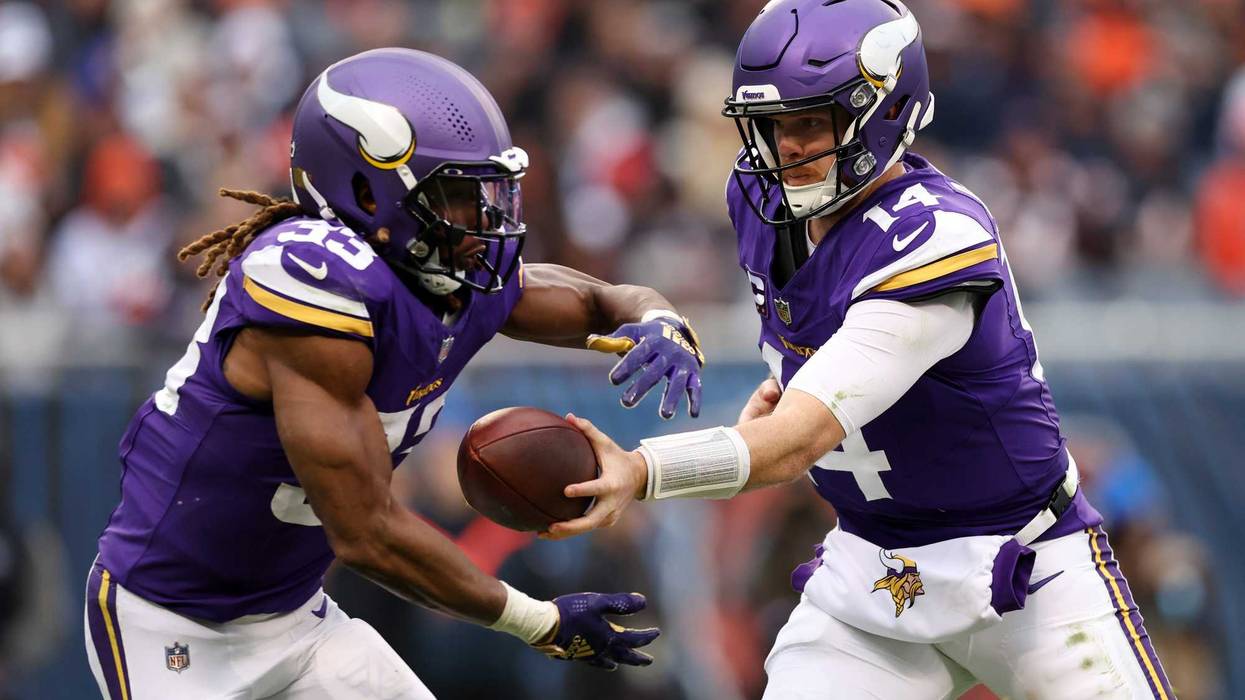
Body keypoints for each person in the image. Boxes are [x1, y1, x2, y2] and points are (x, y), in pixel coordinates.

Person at [546, 1, 1175, 698]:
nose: (785, 147)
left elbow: (794, 442)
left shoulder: (935, 237)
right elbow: (798, 394)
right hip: (874, 571)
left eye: (809, 122)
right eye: (771, 125)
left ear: (883, 110)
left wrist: (641, 470)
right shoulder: (757, 200)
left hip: (1024, 563)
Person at [84, 48, 706, 700]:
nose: (483, 225)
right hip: (170, 621)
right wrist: (538, 620)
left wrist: (659, 318)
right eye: (459, 199)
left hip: (296, 621)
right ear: (365, 190)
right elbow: (365, 533)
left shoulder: (449, 274)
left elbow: (596, 299)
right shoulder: (312, 284)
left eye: (487, 194)